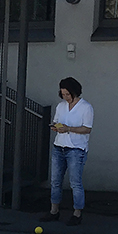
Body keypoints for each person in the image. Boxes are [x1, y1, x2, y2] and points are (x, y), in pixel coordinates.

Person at [42, 76, 92, 226]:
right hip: (59, 146)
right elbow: (57, 121)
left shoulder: (86, 107)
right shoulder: (61, 106)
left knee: (75, 182)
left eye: (68, 94)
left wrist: (68, 129)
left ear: (75, 92)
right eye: (63, 94)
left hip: (76, 149)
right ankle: (54, 210)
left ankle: (77, 213)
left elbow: (87, 128)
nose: (65, 97)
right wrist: (56, 127)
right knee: (55, 181)